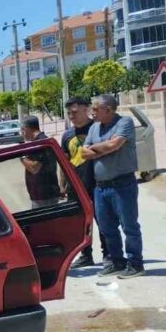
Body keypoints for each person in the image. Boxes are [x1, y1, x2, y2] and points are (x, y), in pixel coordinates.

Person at [82, 94, 144, 279]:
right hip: (101, 188)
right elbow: (84, 153)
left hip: (123, 184)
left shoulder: (124, 123)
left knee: (129, 226)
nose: (92, 113)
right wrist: (103, 148)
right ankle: (117, 261)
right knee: (106, 228)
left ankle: (135, 264)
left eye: (95, 109)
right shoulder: (93, 128)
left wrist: (98, 149)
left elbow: (114, 145)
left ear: (108, 109)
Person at [61, 97, 108, 268]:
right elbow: (64, 161)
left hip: (97, 183)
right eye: (68, 113)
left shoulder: (97, 129)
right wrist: (63, 184)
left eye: (74, 112)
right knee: (81, 224)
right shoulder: (67, 135)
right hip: (76, 187)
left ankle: (108, 254)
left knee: (102, 221)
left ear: (86, 109)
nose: (71, 116)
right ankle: (85, 255)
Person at [18, 115, 62, 208]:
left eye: (21, 130)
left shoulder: (41, 143)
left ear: (25, 129)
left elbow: (34, 168)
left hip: (45, 196)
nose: (21, 133)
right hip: (41, 196)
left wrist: (21, 156)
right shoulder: (38, 142)